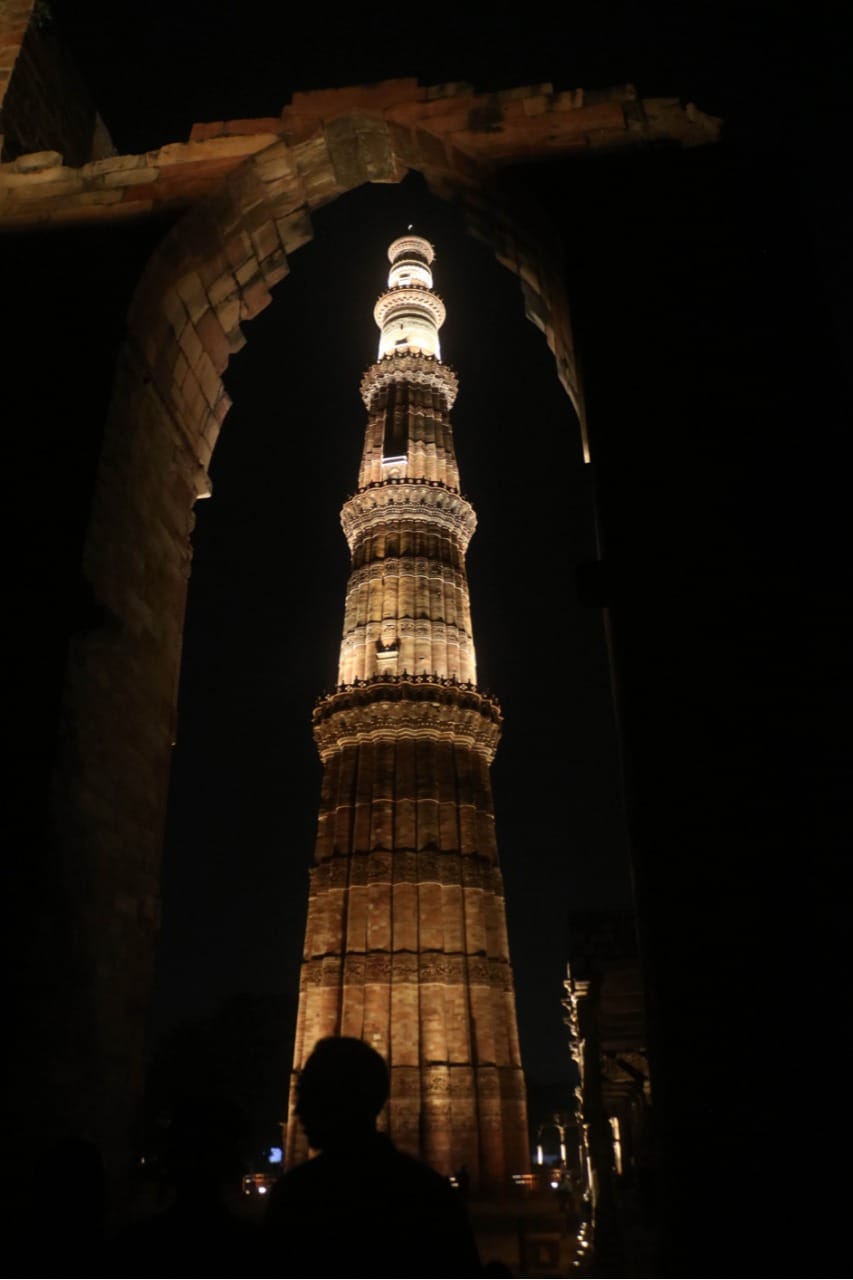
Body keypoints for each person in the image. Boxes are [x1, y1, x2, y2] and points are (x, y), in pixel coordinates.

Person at [264, 1036, 483, 1278]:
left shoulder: (297, 1197)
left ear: (341, 1099)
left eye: (309, 1094)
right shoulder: (432, 1196)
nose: (298, 1109)